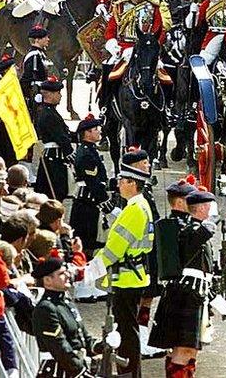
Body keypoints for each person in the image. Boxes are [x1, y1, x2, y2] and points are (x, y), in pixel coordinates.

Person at [82, 148, 155, 378]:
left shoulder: (134, 209)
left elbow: (114, 249)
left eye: (122, 180)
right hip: (132, 274)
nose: (119, 184)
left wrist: (89, 272)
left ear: (133, 183)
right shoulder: (137, 205)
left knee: (126, 330)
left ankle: (129, 372)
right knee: (127, 328)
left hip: (127, 277)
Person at [149, 178, 217, 378]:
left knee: (190, 349)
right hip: (185, 292)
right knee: (183, 349)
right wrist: (206, 226)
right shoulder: (184, 228)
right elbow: (190, 243)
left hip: (194, 291)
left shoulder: (189, 226)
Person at [32, 257, 116, 378]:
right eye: (61, 273)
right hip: (59, 371)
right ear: (47, 280)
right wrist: (80, 371)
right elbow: (59, 347)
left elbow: (83, 337)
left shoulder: (66, 302)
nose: (67, 275)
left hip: (74, 368)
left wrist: (103, 344)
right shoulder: (46, 308)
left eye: (67, 271)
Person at [71, 114, 109, 260]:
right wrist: (106, 202)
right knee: (86, 242)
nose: (100, 131)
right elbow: (93, 182)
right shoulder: (86, 154)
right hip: (87, 203)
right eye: (96, 129)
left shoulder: (90, 150)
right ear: (87, 133)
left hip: (90, 201)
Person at [34, 76, 72, 201]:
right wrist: (73, 157)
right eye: (58, 93)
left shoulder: (50, 111)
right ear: (49, 95)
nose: (60, 96)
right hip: (53, 160)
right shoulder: (48, 114)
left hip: (53, 158)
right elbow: (62, 138)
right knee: (55, 194)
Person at [21, 25, 51, 114]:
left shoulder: (40, 54)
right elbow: (29, 78)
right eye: (45, 37)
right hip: (36, 93)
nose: (48, 39)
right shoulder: (34, 55)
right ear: (37, 40)